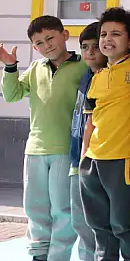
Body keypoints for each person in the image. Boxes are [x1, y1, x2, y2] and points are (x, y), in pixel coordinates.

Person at [1, 15, 87, 261]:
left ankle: (58, 257)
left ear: (65, 35)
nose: (46, 45)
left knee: (62, 210)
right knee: (35, 208)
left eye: (50, 38)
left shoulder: (83, 66)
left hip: (65, 149)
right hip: (35, 148)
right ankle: (38, 254)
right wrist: (10, 67)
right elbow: (12, 95)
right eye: (39, 43)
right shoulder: (35, 68)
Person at [81, 7, 130, 261]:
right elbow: (91, 120)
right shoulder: (97, 77)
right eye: (104, 34)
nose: (107, 39)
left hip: (122, 158)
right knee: (98, 225)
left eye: (116, 34)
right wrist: (85, 156)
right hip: (93, 160)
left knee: (122, 224)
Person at [70, 22, 106, 261]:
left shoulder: (111, 77)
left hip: (101, 158)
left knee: (100, 223)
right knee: (80, 221)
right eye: (85, 47)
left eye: (96, 46)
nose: (90, 52)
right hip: (78, 157)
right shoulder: (85, 76)